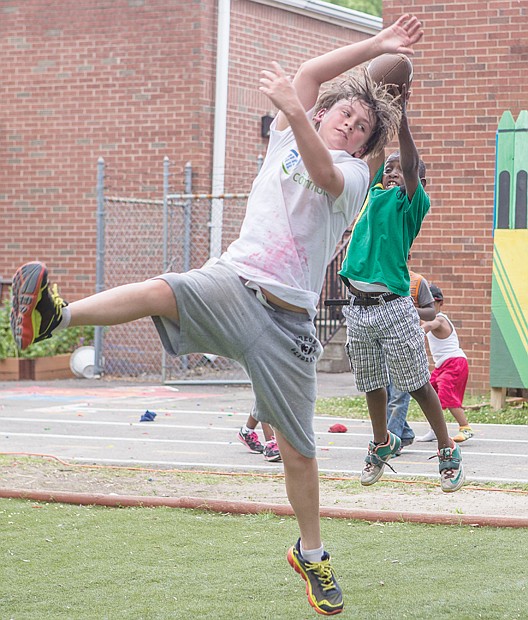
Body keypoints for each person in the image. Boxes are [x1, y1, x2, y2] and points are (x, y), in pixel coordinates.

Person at [9, 14, 423, 615]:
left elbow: (323, 171)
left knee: (300, 449)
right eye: (344, 115)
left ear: (363, 145)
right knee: (163, 287)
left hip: (288, 322)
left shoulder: (355, 176)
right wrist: (378, 46)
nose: (350, 127)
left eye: (360, 129)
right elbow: (309, 74)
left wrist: (302, 114)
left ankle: (311, 551)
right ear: (327, 111)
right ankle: (56, 316)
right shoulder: (289, 130)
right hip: (234, 281)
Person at [339, 82, 465, 495]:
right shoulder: (373, 193)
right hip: (357, 308)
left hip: (393, 306)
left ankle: (447, 450)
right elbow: (378, 155)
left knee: (415, 382)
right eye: (387, 169)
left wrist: (403, 117)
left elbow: (409, 166)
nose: (391, 172)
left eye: (399, 170)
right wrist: (381, 108)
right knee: (371, 383)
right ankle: (381, 442)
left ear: (415, 182)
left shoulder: (411, 204)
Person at [387, 257, 435, 454]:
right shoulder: (380, 281)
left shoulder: (417, 282)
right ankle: (404, 433)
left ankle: (392, 441)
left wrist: (409, 309)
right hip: (382, 344)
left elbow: (431, 312)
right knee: (386, 395)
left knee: (399, 396)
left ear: (405, 258)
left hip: (406, 344)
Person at [417, 284, 473, 443]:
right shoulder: (428, 318)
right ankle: (435, 430)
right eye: (425, 305)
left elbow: (429, 325)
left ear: (440, 303)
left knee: (446, 395)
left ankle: (465, 428)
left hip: (455, 362)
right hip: (442, 366)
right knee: (428, 394)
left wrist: (417, 332)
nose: (429, 308)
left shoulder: (439, 319)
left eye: (432, 304)